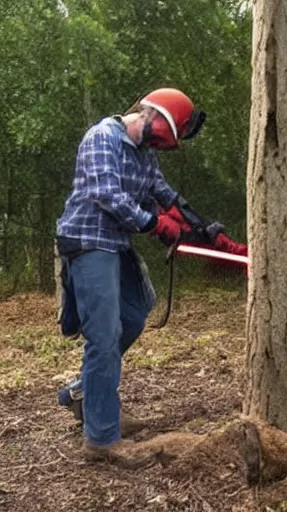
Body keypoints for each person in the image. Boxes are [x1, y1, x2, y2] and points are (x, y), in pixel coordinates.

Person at [55, 87, 207, 468]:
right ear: (149, 114)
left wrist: (191, 219)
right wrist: (156, 225)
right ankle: (102, 439)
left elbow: (157, 188)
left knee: (137, 313)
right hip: (89, 240)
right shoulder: (102, 138)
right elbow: (108, 195)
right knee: (103, 335)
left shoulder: (144, 151)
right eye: (161, 136)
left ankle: (85, 392)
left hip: (116, 242)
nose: (158, 145)